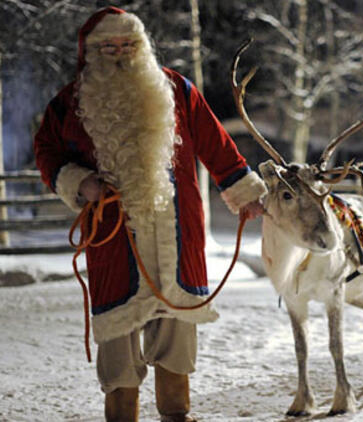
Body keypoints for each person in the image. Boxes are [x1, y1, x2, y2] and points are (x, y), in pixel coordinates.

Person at [33, 7, 266, 422]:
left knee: (176, 329)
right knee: (118, 338)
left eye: (128, 44)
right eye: (109, 46)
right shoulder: (68, 103)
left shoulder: (177, 90)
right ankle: (122, 416)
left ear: (142, 46)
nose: (120, 53)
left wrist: (242, 191)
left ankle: (176, 414)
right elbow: (47, 152)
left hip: (177, 233)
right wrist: (81, 183)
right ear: (91, 52)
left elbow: (215, 143)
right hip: (111, 235)